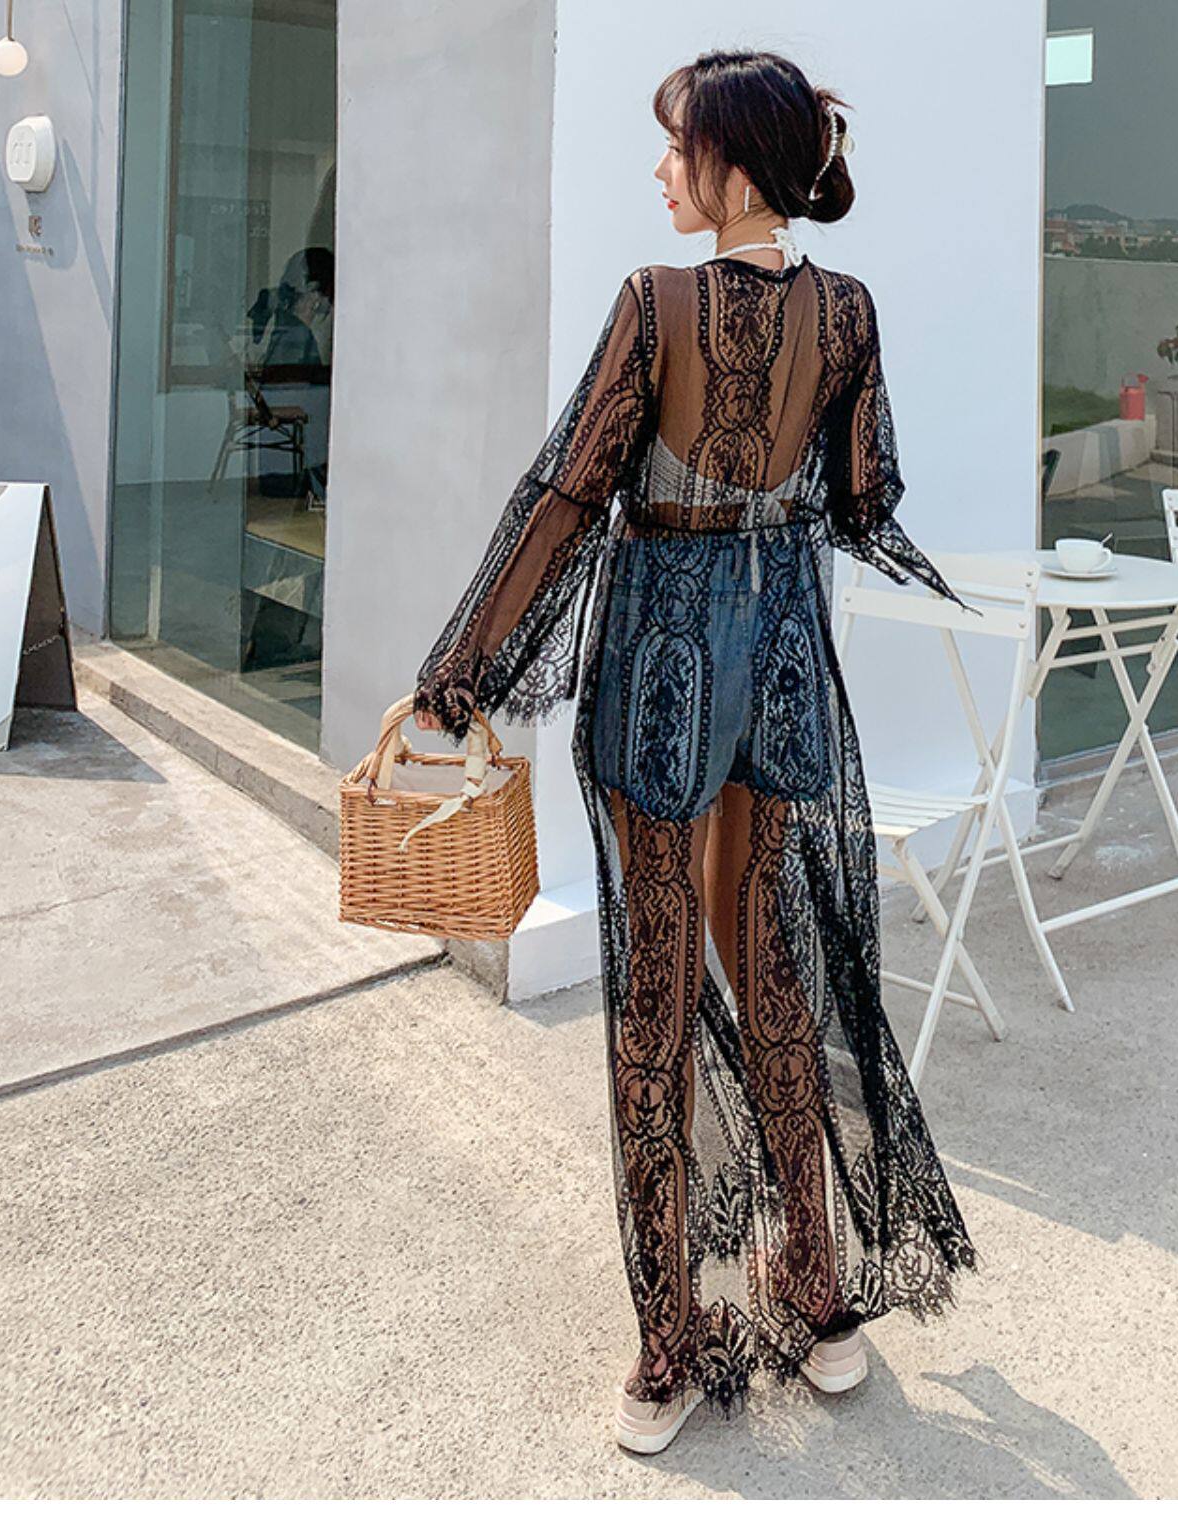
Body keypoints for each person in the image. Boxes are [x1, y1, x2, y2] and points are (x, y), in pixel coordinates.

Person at [411, 48, 982, 1455]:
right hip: (779, 648)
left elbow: (567, 494)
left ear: (732, 164)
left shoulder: (655, 303)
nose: (662, 169)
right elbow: (865, 498)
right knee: (770, 957)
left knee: (656, 988)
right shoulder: (847, 311)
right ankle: (819, 1296)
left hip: (665, 655)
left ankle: (668, 1350)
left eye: (677, 148)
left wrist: (460, 674)